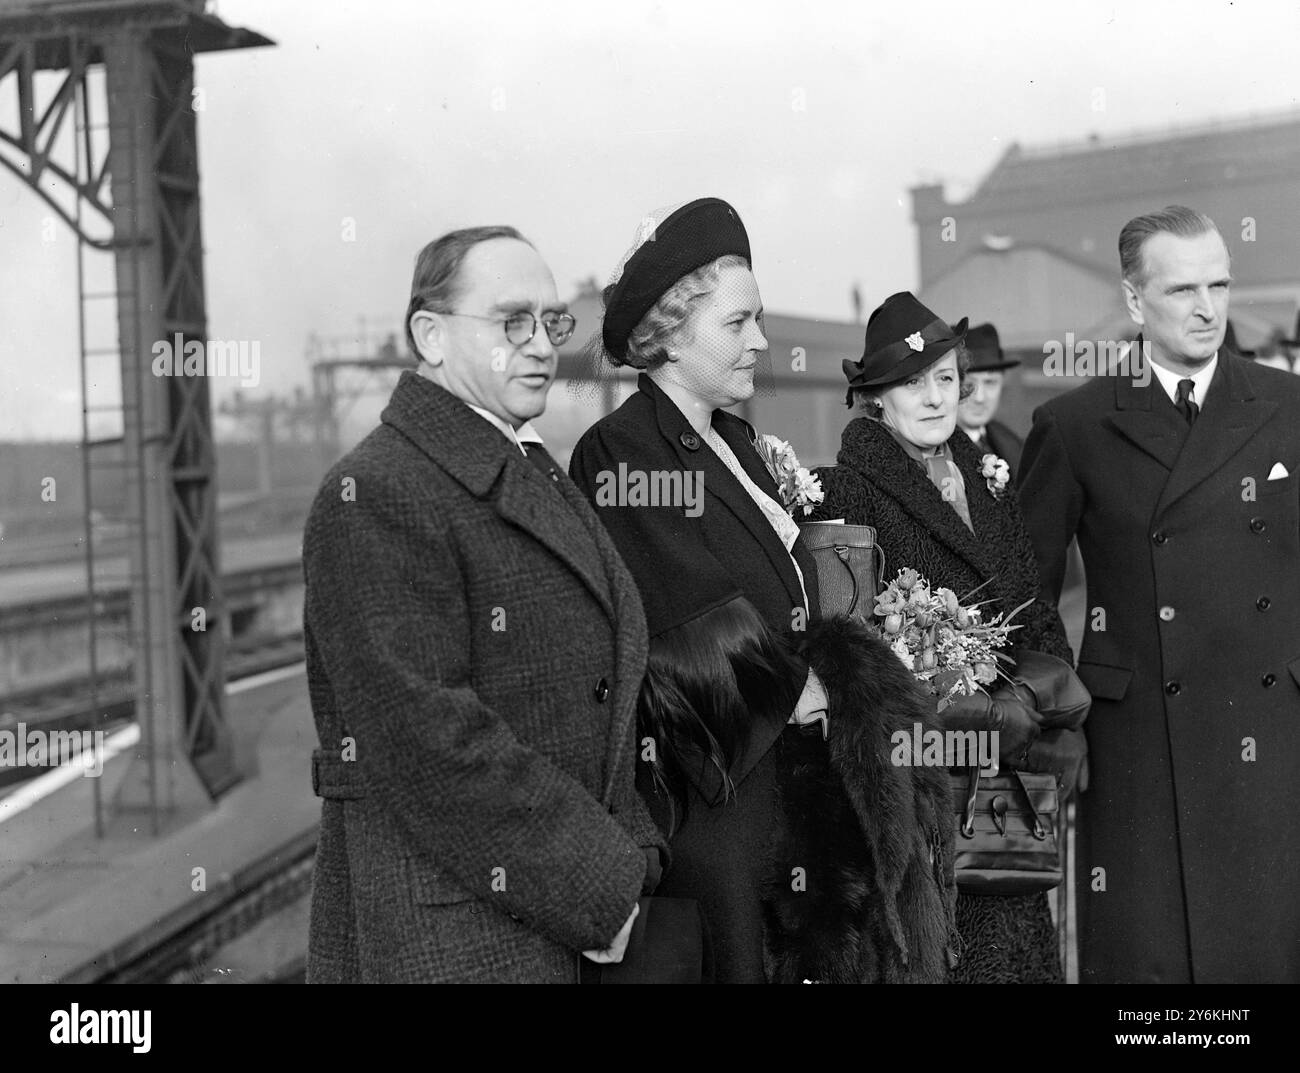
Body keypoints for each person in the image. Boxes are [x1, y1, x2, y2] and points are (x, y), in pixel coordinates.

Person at [569, 198, 957, 984]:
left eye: (759, 320)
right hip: (725, 821)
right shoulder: (622, 452)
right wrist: (823, 684)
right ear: (671, 333)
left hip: (786, 799)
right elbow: (681, 627)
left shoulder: (733, 443)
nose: (762, 341)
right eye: (738, 323)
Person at [301, 225, 662, 982]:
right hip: (460, 942)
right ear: (429, 335)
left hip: (539, 921)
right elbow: (430, 739)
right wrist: (602, 884)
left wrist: (632, 858)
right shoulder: (375, 493)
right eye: (512, 322)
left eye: (551, 322)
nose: (541, 346)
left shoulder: (523, 462)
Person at [1018, 205, 1300, 983]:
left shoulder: (1288, 405)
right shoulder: (1074, 424)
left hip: (1273, 734)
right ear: (1136, 302)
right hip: (1141, 747)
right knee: (1154, 973)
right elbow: (1024, 594)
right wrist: (1062, 718)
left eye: (1220, 284)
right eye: (1183, 290)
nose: (1208, 308)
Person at [810, 291, 1086, 985]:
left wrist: (1044, 708)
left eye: (943, 377)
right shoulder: (848, 493)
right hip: (927, 790)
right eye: (910, 381)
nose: (933, 397)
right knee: (952, 957)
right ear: (874, 397)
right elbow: (855, 655)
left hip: (1012, 776)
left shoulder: (988, 479)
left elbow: (1037, 608)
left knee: (1019, 940)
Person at [957, 322, 1024, 478]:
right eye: (968, 384)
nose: (980, 398)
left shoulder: (1012, 442)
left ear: (1002, 383)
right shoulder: (935, 450)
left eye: (990, 382)